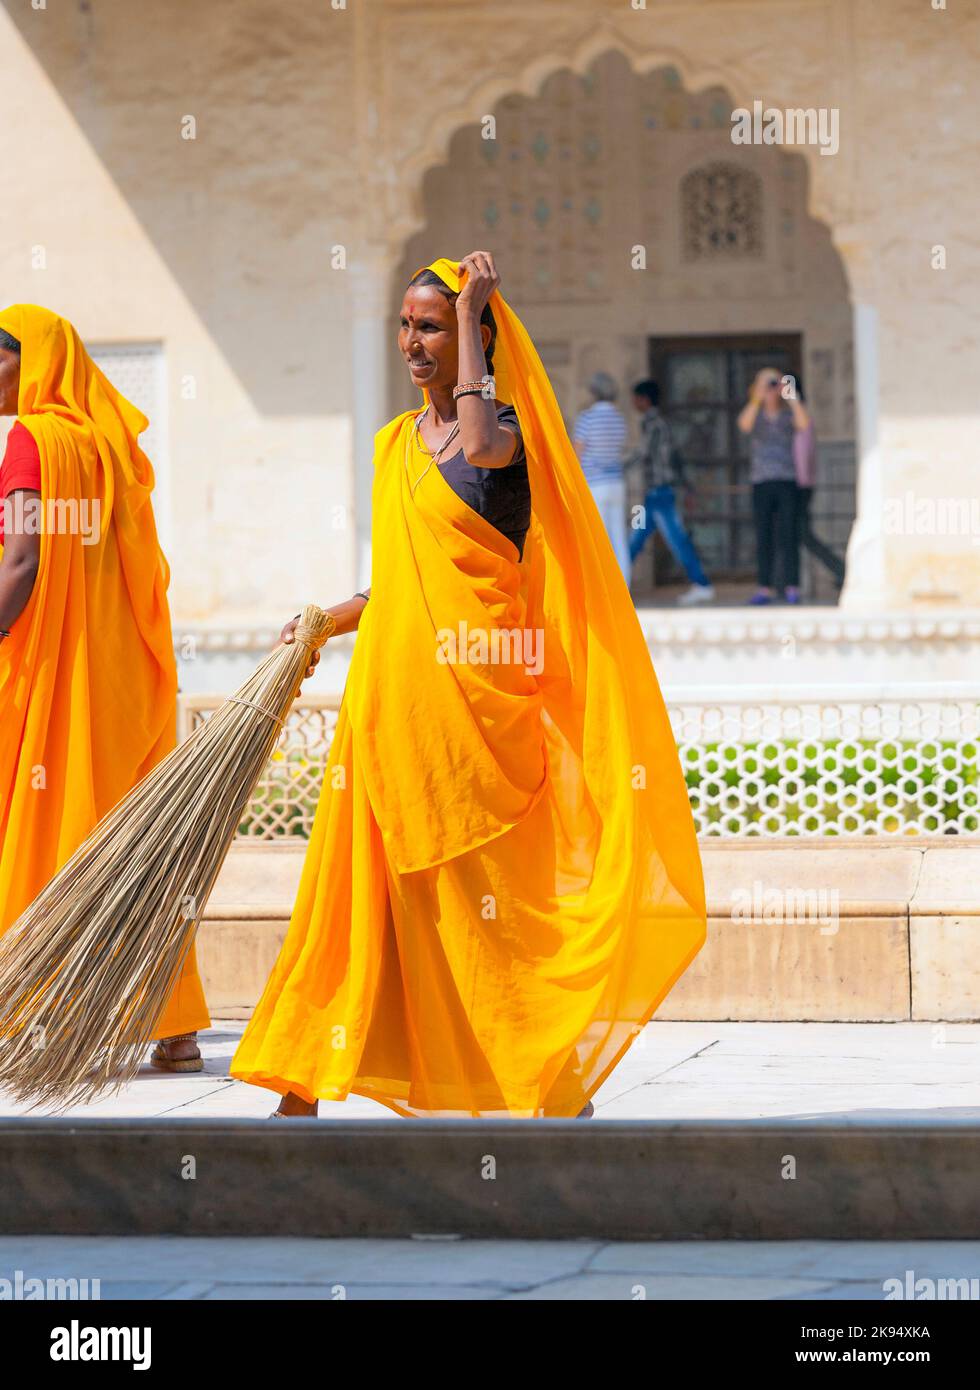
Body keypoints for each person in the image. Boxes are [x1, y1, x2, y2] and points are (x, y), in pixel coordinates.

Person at [231, 253, 705, 1119]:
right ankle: (303, 1082)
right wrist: (318, 625)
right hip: (390, 705)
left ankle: (544, 1078)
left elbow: (479, 445)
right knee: (359, 902)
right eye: (407, 326)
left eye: (434, 327)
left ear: (476, 339)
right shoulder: (392, 447)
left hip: (478, 714)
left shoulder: (508, 436)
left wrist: (480, 313)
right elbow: (394, 587)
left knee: (488, 914)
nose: (413, 344)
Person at [0, 305, 209, 1072]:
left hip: (51, 677)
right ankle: (174, 1027)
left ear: (39, 366)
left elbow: (19, 563)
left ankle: (35, 1009)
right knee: (134, 848)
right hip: (125, 682)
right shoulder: (110, 449)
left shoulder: (32, 442)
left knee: (47, 832)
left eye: (0, 357)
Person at [626, 379, 714, 605]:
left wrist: (614, 469)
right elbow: (675, 458)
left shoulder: (653, 423)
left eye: (636, 399)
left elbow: (642, 452)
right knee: (635, 541)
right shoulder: (659, 423)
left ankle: (702, 584)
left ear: (644, 400)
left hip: (660, 493)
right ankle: (615, 586)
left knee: (675, 541)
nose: (634, 403)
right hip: (657, 494)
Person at [737, 367, 810, 605]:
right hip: (761, 481)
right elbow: (744, 425)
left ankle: (792, 586)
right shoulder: (755, 414)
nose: (770, 389)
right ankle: (764, 587)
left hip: (787, 480)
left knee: (789, 534)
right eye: (766, 384)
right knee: (764, 536)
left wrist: (790, 395)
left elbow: (803, 423)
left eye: (773, 384)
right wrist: (758, 397)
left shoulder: (788, 414)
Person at [571, 372, 631, 581]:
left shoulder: (587, 418)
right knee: (619, 537)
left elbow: (577, 452)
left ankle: (604, 586)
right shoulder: (619, 418)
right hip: (616, 482)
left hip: (595, 483)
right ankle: (624, 585)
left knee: (599, 538)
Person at [792, 381, 845, 589]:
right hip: (796, 483)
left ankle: (841, 570)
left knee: (803, 535)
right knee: (793, 535)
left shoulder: (799, 417)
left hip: (799, 485)